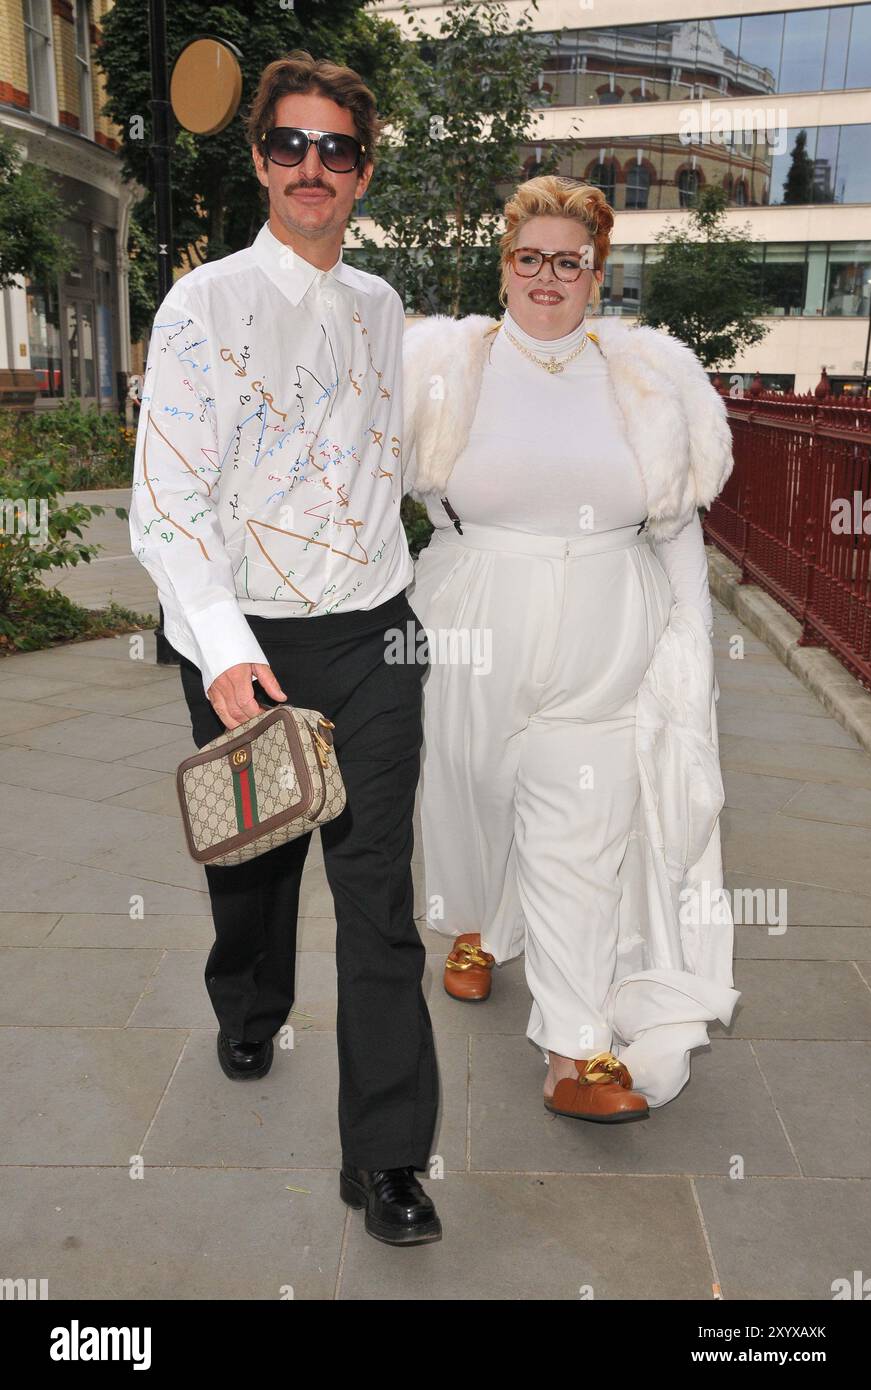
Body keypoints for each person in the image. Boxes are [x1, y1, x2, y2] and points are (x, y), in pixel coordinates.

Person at [129, 51, 440, 1246]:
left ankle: (391, 1161)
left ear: (362, 173)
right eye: (292, 145)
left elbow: (393, 458)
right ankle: (247, 1000)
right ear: (260, 159)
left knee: (379, 904)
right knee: (251, 878)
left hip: (372, 640)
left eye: (339, 149)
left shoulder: (382, 308)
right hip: (244, 645)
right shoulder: (200, 305)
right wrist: (218, 649)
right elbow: (166, 506)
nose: (315, 167)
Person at [403, 175, 740, 1123]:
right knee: (471, 795)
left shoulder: (648, 378)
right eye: (529, 258)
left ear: (597, 275)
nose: (547, 277)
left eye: (569, 262)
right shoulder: (443, 365)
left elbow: (675, 526)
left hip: (606, 629)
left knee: (582, 834)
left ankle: (575, 1047)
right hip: (474, 619)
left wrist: (692, 652)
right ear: (503, 265)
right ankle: (472, 925)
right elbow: (370, 503)